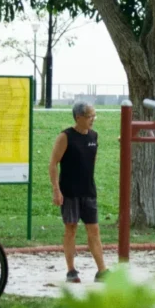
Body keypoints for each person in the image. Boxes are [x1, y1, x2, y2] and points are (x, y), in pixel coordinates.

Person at [49, 102, 108, 283]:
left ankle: (102, 271)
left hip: (88, 191)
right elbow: (53, 164)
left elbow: (91, 162)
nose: (93, 119)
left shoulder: (94, 136)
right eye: (90, 116)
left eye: (94, 116)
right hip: (69, 192)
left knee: (94, 230)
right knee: (71, 228)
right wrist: (56, 190)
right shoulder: (65, 137)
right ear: (78, 118)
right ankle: (71, 270)